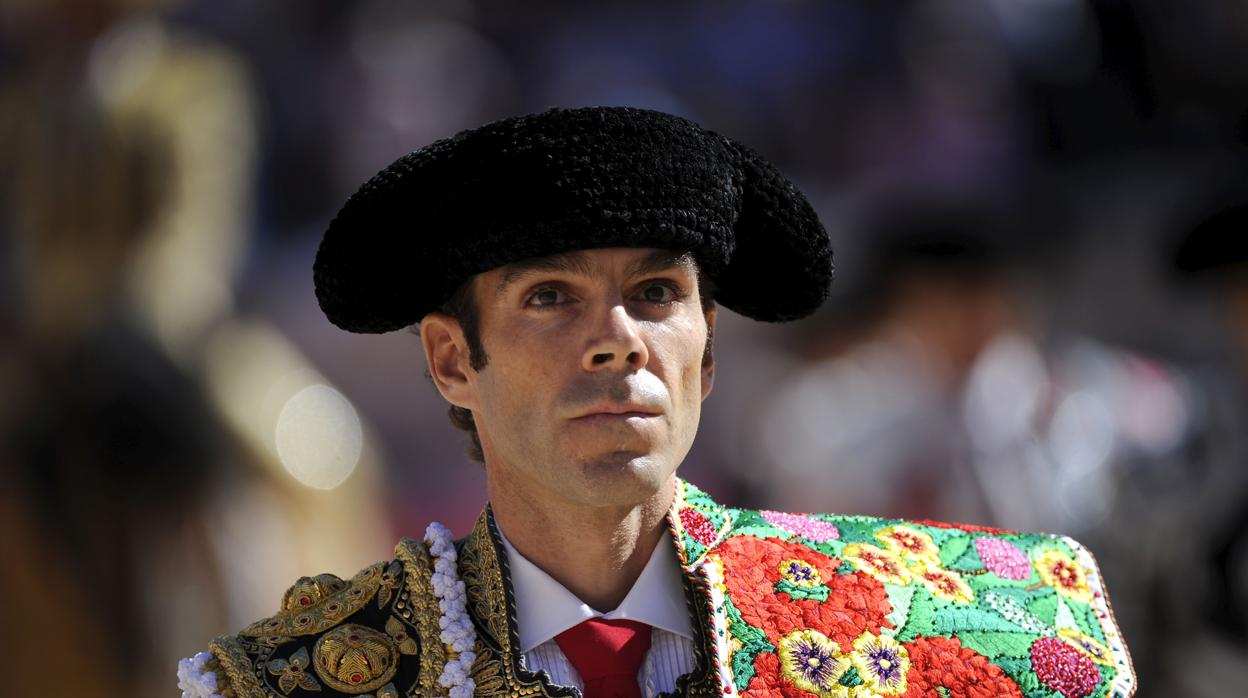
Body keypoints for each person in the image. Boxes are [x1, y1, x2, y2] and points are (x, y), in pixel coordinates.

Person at [177, 106, 1135, 698]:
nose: (619, 337)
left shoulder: (957, 626)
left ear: (708, 350)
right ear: (449, 361)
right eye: (549, 297)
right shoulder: (298, 683)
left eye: (658, 294)